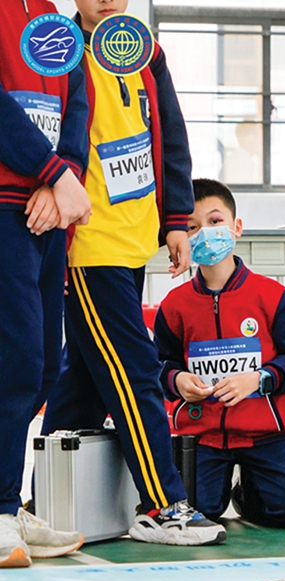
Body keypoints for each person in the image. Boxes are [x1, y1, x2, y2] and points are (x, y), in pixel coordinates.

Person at [40, 0, 226, 545]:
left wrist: (175, 219)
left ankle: (42, 503)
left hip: (134, 240)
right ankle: (161, 505)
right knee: (133, 370)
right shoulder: (56, 47)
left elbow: (171, 137)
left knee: (85, 379)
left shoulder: (146, 51)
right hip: (86, 242)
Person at [154, 179, 285, 528]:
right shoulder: (174, 305)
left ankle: (250, 493)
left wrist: (260, 379)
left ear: (237, 227)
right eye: (192, 227)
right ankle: (217, 490)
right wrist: (177, 379)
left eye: (215, 221)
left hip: (266, 433)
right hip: (202, 435)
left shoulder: (271, 295)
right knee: (196, 512)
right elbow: (157, 364)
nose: (205, 233)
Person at [0, 0, 93, 569]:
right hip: (5, 205)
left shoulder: (50, 13)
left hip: (46, 212)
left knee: (39, 367)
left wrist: (64, 176)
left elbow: (77, 104)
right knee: (13, 362)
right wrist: (51, 170)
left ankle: (7, 501)